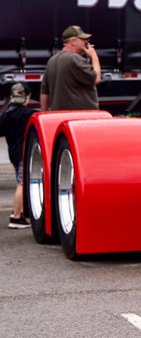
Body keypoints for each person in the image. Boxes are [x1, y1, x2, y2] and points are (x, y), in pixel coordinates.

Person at [41, 24, 101, 112]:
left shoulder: (51, 60)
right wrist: (94, 56)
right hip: (80, 118)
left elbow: (44, 93)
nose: (86, 42)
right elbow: (96, 79)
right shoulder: (75, 59)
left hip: (59, 117)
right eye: (83, 39)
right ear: (73, 41)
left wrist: (44, 113)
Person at [0, 83, 35, 228]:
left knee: (19, 181)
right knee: (22, 183)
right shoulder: (29, 115)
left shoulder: (6, 114)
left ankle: (19, 211)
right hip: (23, 153)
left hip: (13, 153)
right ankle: (16, 218)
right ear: (27, 97)